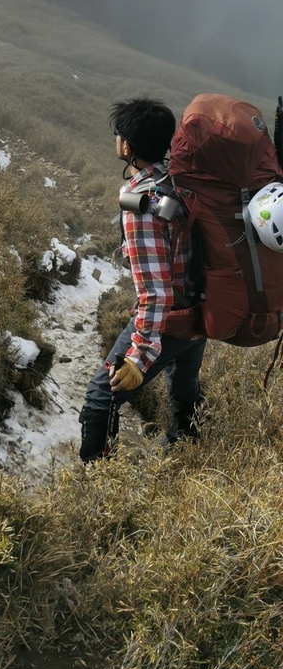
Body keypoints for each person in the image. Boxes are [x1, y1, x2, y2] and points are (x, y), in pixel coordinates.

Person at [78, 98, 207, 462]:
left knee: (101, 395)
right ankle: (188, 452)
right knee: (183, 383)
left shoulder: (143, 204)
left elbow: (154, 291)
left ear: (126, 146)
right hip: (201, 312)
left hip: (170, 320)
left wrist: (139, 356)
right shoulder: (180, 180)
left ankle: (97, 486)